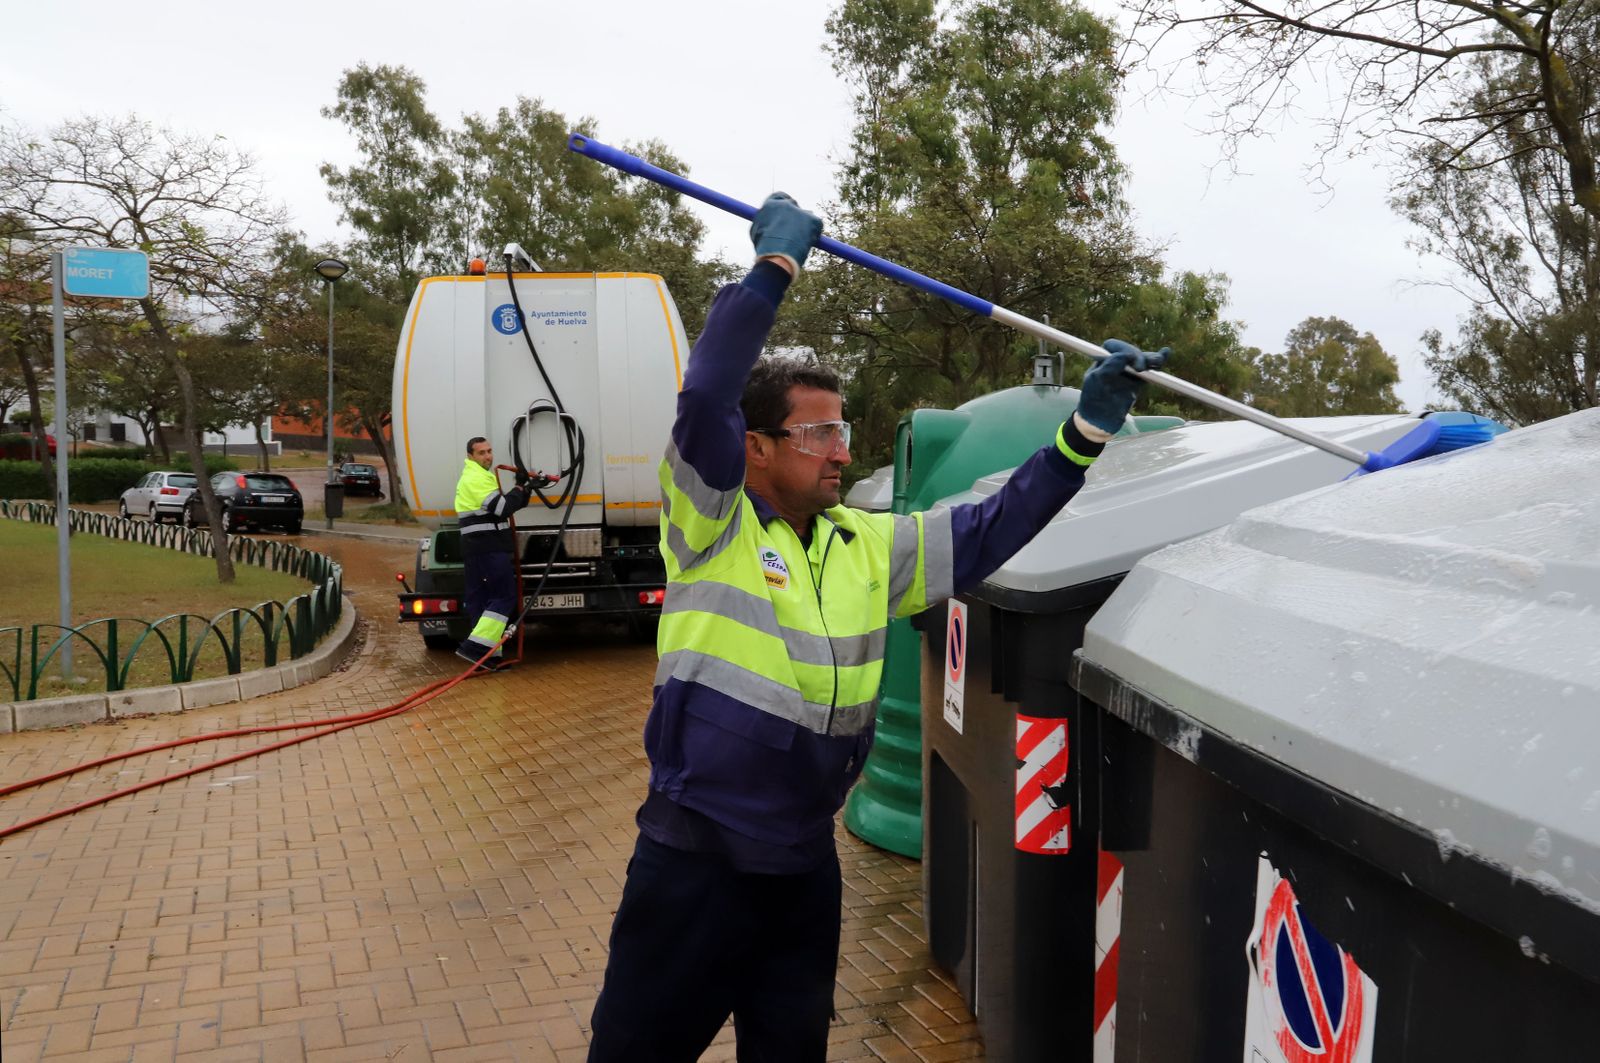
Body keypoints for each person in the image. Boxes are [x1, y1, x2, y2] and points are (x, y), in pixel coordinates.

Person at [586, 194, 1168, 1062]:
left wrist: (1082, 433)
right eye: (817, 432)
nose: (841, 450)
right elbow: (705, 391)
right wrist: (772, 271)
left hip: (802, 868)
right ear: (755, 446)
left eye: (842, 429)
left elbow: (994, 526)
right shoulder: (710, 524)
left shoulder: (870, 545)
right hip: (694, 863)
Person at [453, 436, 533, 671]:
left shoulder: (476, 476)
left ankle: (486, 657)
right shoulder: (476, 477)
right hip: (487, 547)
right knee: (504, 596)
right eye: (481, 453)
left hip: (477, 548)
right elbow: (502, 509)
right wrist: (520, 488)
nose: (488, 457)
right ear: (470, 456)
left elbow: (503, 505)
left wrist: (525, 490)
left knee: (481, 600)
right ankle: (475, 649)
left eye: (489, 451)